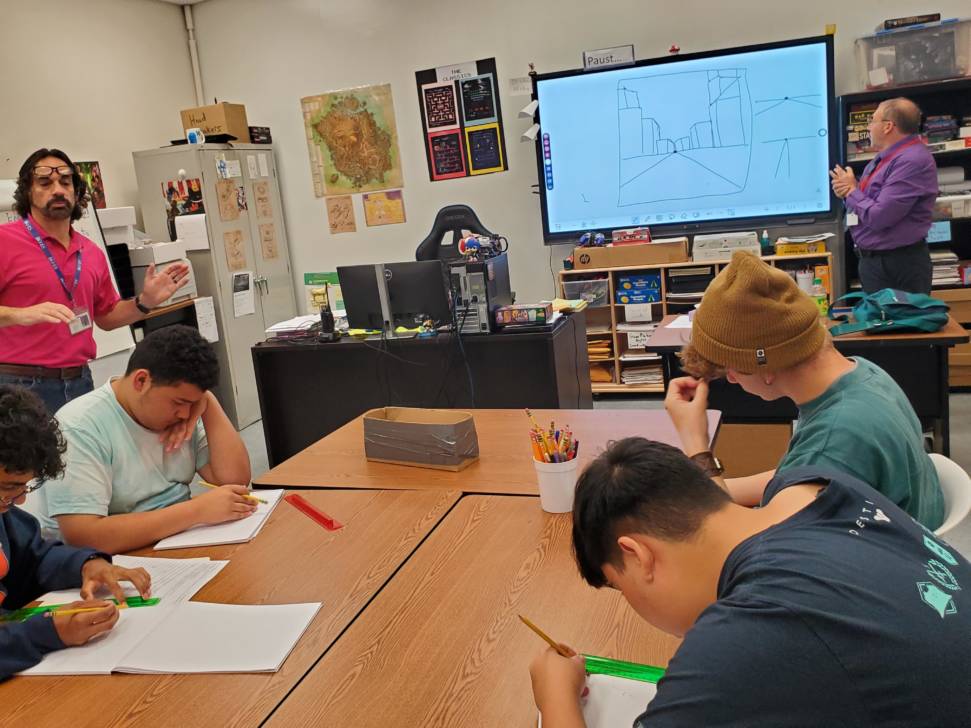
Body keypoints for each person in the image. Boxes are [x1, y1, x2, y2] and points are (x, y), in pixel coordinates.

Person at [529, 437, 971, 727]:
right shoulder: (814, 483)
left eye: (620, 587)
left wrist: (555, 696)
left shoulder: (749, 630)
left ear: (637, 555)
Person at [663, 250, 943, 530]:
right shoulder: (862, 373)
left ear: (766, 367)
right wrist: (697, 492)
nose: (732, 380)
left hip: (873, 553)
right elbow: (800, 475)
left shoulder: (837, 436)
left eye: (730, 369)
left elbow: (735, 535)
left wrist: (696, 442)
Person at [30, 325, 254, 554]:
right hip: (108, 559)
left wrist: (208, 404)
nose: (185, 414)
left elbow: (234, 480)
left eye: (193, 403)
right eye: (179, 403)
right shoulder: (79, 426)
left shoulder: (183, 412)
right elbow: (85, 537)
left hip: (175, 540)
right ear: (141, 381)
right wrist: (196, 511)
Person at [0, 148, 191, 413]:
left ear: (76, 192)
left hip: (79, 381)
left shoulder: (90, 252)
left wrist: (145, 302)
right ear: (27, 192)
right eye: (45, 183)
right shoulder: (5, 241)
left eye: (65, 182)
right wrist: (21, 315)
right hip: (18, 385)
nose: (58, 190)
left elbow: (107, 317)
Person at [0, 384, 152, 678]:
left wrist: (85, 565)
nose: (19, 501)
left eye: (24, 487)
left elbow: (34, 558)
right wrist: (45, 634)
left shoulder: (6, 516)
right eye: (9, 488)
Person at [830, 97, 937, 294]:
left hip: (897, 265)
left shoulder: (911, 161)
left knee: (901, 316)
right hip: (875, 261)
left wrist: (852, 191)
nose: (869, 127)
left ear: (888, 126)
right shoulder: (885, 158)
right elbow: (868, 201)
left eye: (872, 120)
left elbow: (880, 217)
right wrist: (848, 192)